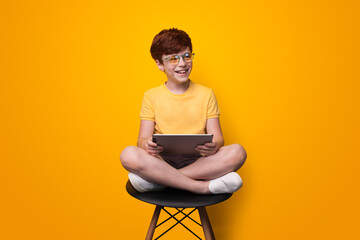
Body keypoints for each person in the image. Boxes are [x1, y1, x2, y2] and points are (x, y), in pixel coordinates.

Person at [120, 28, 246, 194]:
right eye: (173, 59)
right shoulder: (151, 96)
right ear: (159, 64)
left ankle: (162, 181)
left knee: (238, 152)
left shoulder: (206, 94)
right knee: (128, 154)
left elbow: (219, 138)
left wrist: (214, 145)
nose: (182, 63)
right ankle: (201, 187)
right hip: (160, 161)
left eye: (187, 56)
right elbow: (141, 140)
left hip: (200, 162)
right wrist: (146, 144)